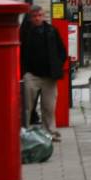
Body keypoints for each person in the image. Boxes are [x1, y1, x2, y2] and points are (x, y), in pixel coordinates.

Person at [20, 9, 68, 137]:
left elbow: (62, 51)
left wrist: (56, 66)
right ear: (30, 18)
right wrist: (24, 72)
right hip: (31, 75)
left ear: (43, 16)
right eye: (34, 16)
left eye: (39, 16)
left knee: (49, 107)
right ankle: (24, 133)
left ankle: (50, 132)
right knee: (26, 106)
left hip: (49, 76)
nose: (37, 18)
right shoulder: (24, 32)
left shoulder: (52, 31)